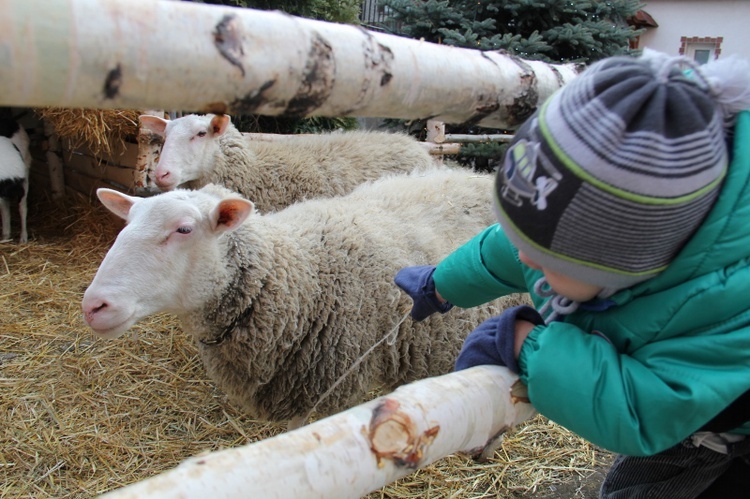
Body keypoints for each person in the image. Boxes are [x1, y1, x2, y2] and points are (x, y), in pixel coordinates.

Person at [395, 50, 750, 497]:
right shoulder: (596, 247)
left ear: (632, 267)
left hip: (722, 417)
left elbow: (641, 411)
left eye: (548, 262)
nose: (526, 261)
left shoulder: (727, 307)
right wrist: (442, 283)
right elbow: (510, 250)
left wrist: (525, 343)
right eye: (524, 240)